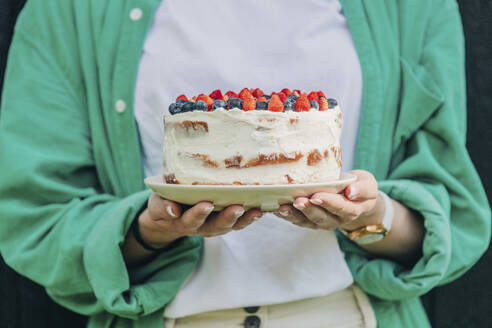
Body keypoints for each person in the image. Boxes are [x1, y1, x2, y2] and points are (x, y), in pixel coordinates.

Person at [0, 0, 490, 327]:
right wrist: (149, 232)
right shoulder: (67, 11)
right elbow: (33, 217)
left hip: (350, 313)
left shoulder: (414, 8)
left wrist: (372, 217)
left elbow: (450, 211)